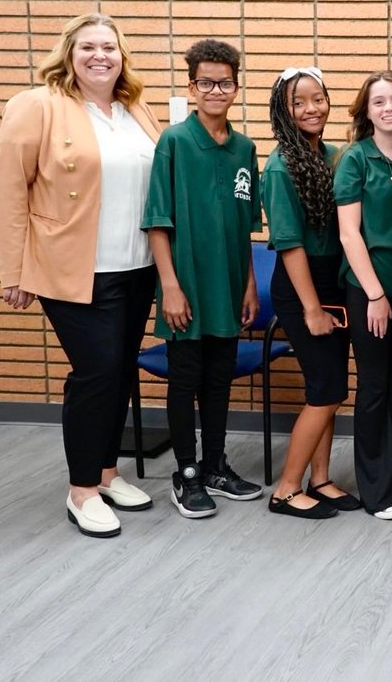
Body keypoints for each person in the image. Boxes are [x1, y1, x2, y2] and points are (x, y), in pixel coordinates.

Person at [0, 12, 160, 537]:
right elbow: (9, 191)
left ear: (121, 56)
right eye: (88, 46)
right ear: (68, 53)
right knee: (96, 374)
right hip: (74, 268)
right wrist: (13, 269)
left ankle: (108, 473)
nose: (99, 56)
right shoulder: (37, 105)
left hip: (137, 265)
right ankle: (82, 490)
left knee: (120, 371)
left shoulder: (135, 107)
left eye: (109, 47)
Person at [142, 39, 264, 518]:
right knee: (184, 380)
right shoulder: (174, 142)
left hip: (229, 287)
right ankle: (187, 474)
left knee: (219, 381)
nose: (217, 90)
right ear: (192, 86)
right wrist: (169, 286)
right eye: (206, 82)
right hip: (186, 287)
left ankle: (215, 464)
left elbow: (247, 226)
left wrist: (249, 284)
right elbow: (157, 222)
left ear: (236, 86)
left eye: (226, 82)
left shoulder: (245, 148)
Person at [262, 66, 358, 519]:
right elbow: (290, 245)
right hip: (302, 289)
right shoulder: (280, 167)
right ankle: (285, 488)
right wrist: (312, 309)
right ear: (283, 110)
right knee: (324, 390)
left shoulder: (335, 155)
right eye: (298, 102)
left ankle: (320, 479)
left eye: (317, 98)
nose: (310, 108)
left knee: (334, 388)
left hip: (334, 281)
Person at [335, 71, 392, 520]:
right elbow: (349, 234)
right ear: (366, 111)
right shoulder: (356, 159)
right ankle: (378, 489)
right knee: (373, 386)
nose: (389, 107)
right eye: (378, 102)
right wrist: (375, 295)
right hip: (369, 290)